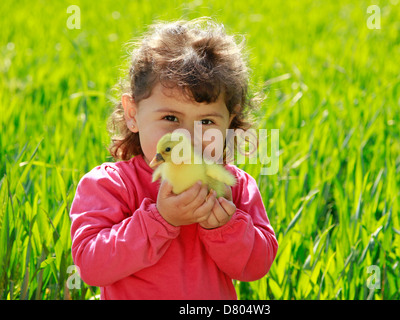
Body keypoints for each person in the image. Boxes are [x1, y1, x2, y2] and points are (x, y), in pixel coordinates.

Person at [69, 17, 278, 300]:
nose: (186, 138)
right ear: (133, 114)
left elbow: (256, 266)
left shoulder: (233, 186)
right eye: (170, 117)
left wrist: (224, 228)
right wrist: (160, 220)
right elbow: (91, 266)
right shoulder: (111, 185)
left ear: (229, 123)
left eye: (206, 122)